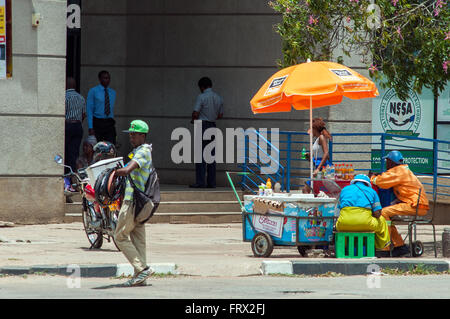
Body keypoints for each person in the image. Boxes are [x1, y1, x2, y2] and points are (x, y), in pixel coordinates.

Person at [114, 120, 154, 287]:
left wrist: (111, 173)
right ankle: (141, 276)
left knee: (120, 236)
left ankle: (142, 268)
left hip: (132, 201)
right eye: (130, 134)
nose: (131, 137)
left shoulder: (143, 152)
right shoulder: (138, 151)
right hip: (139, 202)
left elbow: (127, 170)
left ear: (142, 136)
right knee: (137, 239)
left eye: (134, 134)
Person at [370, 150, 429, 257]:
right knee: (387, 218)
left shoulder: (398, 171)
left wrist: (372, 177)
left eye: (387, 161)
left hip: (415, 205)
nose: (386, 164)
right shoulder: (403, 170)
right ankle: (399, 246)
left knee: (383, 213)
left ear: (391, 162)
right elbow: (388, 177)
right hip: (417, 204)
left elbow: (381, 182)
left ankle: (385, 248)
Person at [336, 174, 390, 252]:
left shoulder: (344, 190)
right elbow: (377, 214)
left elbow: (337, 211)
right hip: (366, 224)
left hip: (344, 224)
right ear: (367, 183)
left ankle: (347, 247)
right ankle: (382, 246)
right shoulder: (372, 192)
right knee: (382, 220)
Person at [189, 77, 224, 188]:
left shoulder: (202, 96)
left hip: (202, 125)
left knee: (200, 156)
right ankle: (211, 182)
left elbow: (195, 112)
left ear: (202, 87)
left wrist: (194, 119)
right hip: (213, 125)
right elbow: (220, 115)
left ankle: (200, 182)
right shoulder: (218, 98)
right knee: (211, 156)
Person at [86, 70, 117, 145]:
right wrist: (90, 127)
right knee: (98, 145)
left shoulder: (113, 92)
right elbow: (89, 110)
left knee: (111, 144)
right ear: (100, 79)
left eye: (108, 78)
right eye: (105, 78)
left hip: (109, 122)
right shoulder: (93, 91)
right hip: (97, 122)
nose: (107, 80)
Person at [302, 117, 332, 193]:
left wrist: (318, 168)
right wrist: (309, 157)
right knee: (313, 190)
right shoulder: (317, 140)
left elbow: (326, 153)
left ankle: (307, 204)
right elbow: (319, 156)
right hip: (318, 166)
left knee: (306, 188)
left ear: (315, 129)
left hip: (322, 168)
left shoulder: (321, 138)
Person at [64, 77, 86, 176]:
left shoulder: (64, 97)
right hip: (78, 126)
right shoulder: (81, 97)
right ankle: (73, 175)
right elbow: (84, 114)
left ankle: (65, 175)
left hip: (67, 125)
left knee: (64, 151)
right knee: (74, 152)